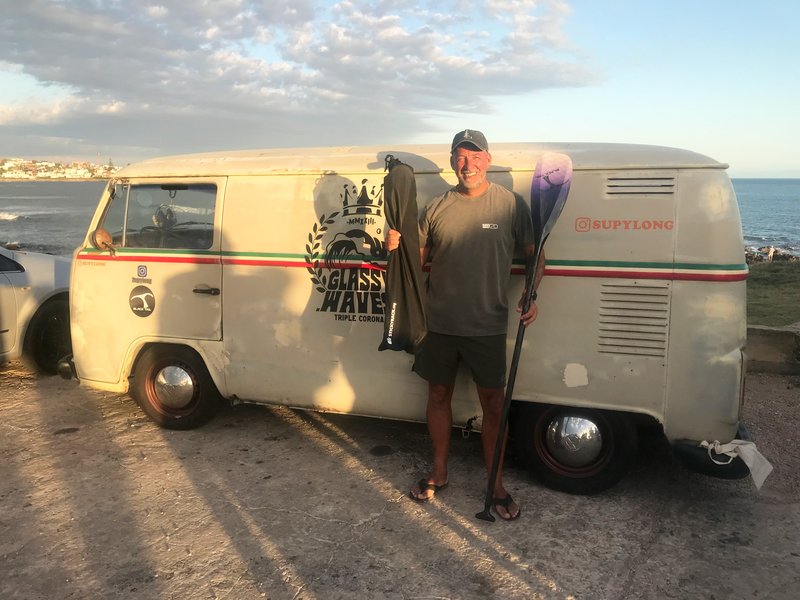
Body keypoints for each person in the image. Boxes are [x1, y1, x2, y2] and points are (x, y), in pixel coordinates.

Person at [386, 129, 543, 521]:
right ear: (452, 160)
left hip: (487, 325)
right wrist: (392, 245)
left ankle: (496, 484)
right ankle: (439, 473)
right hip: (438, 323)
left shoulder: (509, 205)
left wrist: (532, 293)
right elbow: (414, 255)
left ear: (487, 160)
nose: (467, 164)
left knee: (494, 404)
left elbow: (535, 254)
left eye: (474, 156)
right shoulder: (438, 208)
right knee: (438, 397)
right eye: (460, 156)